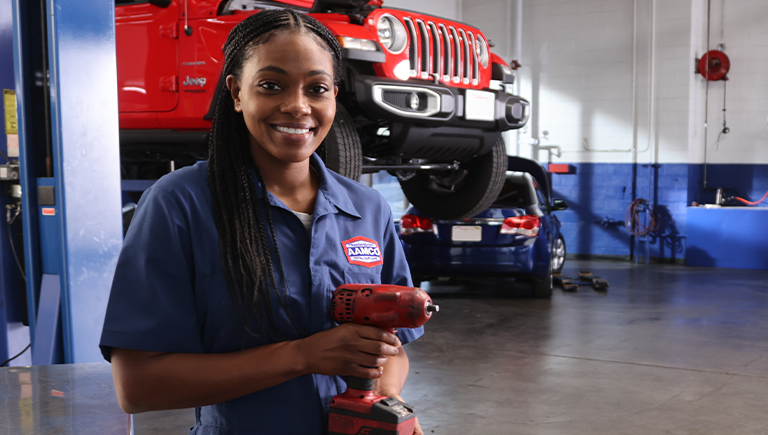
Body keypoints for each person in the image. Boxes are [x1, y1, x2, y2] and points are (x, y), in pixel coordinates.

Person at [99, 9, 424, 435]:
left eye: (317, 88)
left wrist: (386, 399)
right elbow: (138, 387)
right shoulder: (181, 203)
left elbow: (391, 349)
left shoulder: (368, 207)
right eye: (271, 85)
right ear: (236, 93)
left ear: (334, 97)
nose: (297, 106)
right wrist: (302, 356)